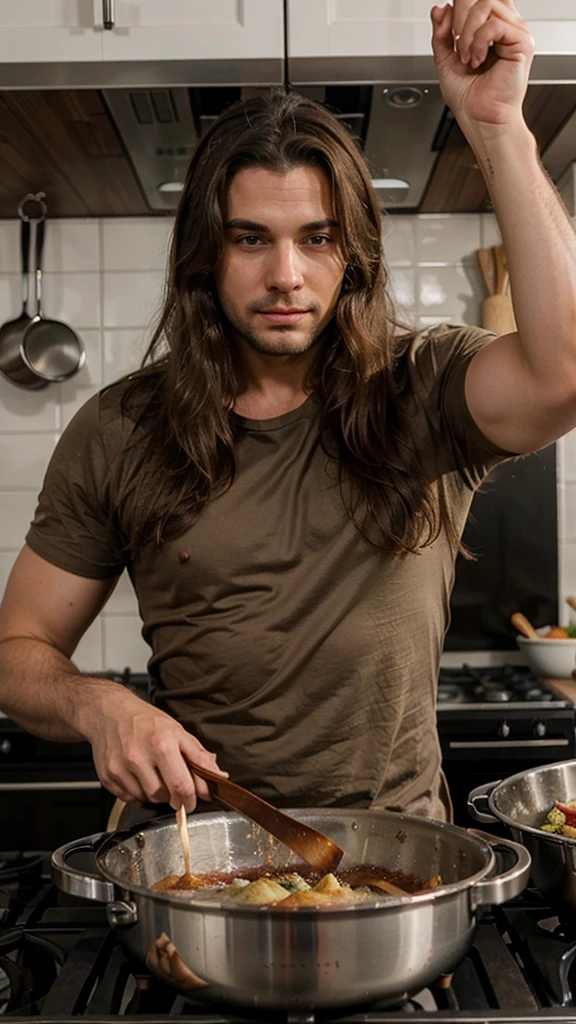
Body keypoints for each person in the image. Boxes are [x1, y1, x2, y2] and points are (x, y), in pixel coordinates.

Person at [0, 1, 575, 826]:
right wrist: (100, 706)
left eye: (316, 238)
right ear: (206, 252)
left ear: (354, 254)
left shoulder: (426, 389)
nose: (286, 276)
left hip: (398, 873)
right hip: (192, 865)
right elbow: (18, 655)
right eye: (249, 240)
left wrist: (498, 128)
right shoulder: (121, 427)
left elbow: (564, 375)